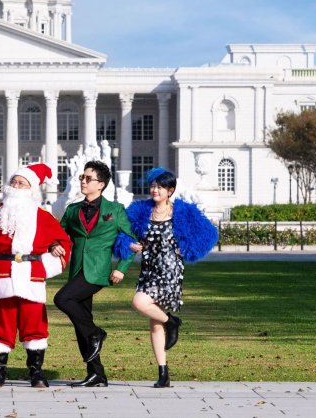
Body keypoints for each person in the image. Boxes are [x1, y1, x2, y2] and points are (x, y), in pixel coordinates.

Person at [0, 163, 71, 388]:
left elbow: (63, 242)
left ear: (31, 189)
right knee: (0, 323)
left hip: (32, 275)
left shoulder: (43, 217)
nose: (15, 186)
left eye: (21, 183)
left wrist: (53, 253)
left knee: (34, 324)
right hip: (0, 274)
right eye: (13, 181)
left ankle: (36, 371)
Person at [113, 168, 218, 388]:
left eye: (160, 187)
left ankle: (172, 323)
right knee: (154, 323)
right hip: (149, 269)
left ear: (170, 190)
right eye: (152, 186)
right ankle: (163, 372)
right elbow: (121, 233)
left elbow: (210, 234)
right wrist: (128, 244)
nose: (155, 190)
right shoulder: (140, 210)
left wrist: (189, 249)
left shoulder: (183, 211)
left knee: (139, 302)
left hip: (170, 271)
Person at [52, 160, 138, 387]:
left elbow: (130, 241)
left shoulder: (115, 210)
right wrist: (54, 245)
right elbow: (58, 235)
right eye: (82, 177)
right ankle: (96, 373)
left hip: (99, 271)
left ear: (100, 184)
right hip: (78, 269)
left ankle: (97, 333)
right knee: (81, 323)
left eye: (88, 178)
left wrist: (121, 268)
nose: (82, 180)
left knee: (61, 299)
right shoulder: (72, 210)